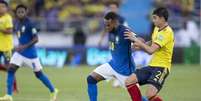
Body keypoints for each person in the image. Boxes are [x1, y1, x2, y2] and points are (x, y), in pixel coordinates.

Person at [0, 4, 58, 101]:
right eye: (19, 12)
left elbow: (36, 39)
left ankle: (53, 90)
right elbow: (19, 35)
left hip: (30, 55)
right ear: (16, 13)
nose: (21, 13)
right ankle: (9, 95)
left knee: (38, 74)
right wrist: (19, 46)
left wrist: (24, 46)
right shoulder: (17, 22)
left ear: (26, 12)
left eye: (22, 12)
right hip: (19, 53)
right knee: (10, 69)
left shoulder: (30, 23)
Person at [87, 12, 142, 101]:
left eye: (108, 25)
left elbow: (140, 40)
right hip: (112, 65)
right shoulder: (110, 30)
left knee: (138, 98)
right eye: (105, 25)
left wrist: (135, 40)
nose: (106, 27)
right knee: (91, 79)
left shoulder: (124, 31)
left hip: (125, 72)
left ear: (115, 22)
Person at [124, 7, 174, 101]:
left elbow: (151, 51)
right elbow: (153, 42)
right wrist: (139, 46)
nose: (153, 20)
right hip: (152, 66)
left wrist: (136, 40)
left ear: (162, 18)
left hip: (162, 67)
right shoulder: (157, 28)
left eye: (155, 18)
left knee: (150, 94)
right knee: (129, 81)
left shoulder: (167, 33)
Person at [0, 0, 18, 93]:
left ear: (6, 8)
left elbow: (10, 31)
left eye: (3, 6)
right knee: (8, 68)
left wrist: (1, 29)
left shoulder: (8, 18)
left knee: (10, 67)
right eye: (0, 6)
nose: (1, 8)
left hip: (6, 47)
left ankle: (14, 87)